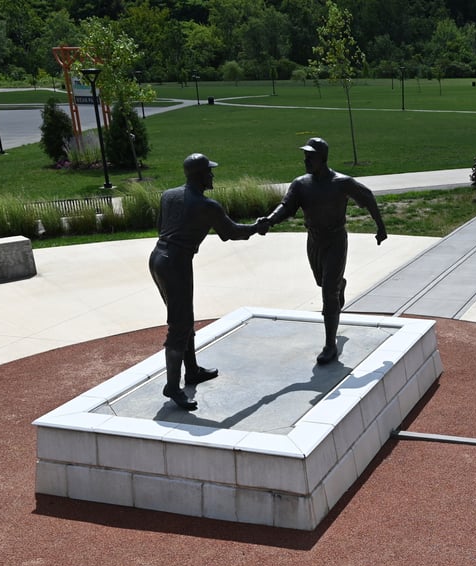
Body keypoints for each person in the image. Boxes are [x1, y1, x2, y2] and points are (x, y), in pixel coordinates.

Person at [255, 137, 387, 365]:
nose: (306, 159)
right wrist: (270, 219)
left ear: (322, 158)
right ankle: (339, 285)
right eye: (305, 155)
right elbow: (287, 206)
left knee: (327, 293)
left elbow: (368, 198)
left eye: (311, 156)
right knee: (322, 282)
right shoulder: (300, 184)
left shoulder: (341, 182)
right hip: (314, 240)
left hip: (335, 239)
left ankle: (330, 345)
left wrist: (380, 227)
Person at [149, 153, 259, 410]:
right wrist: (257, 226)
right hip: (176, 263)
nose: (212, 175)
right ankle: (173, 387)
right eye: (209, 172)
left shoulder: (168, 195)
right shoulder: (207, 206)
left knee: (185, 317)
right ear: (199, 175)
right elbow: (232, 233)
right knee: (180, 324)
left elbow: (160, 227)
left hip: (159, 259)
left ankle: (193, 370)